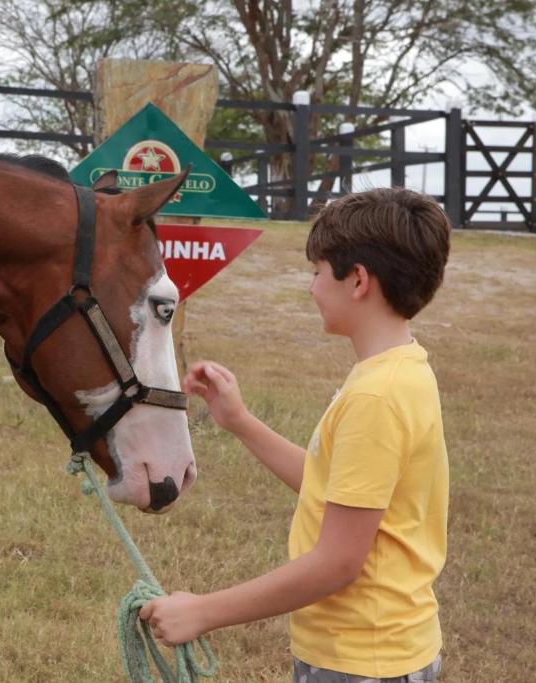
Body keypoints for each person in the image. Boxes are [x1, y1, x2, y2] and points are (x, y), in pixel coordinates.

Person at [140, 188, 452, 683]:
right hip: (378, 652)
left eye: (317, 272)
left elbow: (337, 563)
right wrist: (239, 421)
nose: (311, 288)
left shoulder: (377, 397)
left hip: (362, 662)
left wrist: (204, 611)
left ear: (357, 280)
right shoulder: (400, 370)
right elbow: (337, 490)